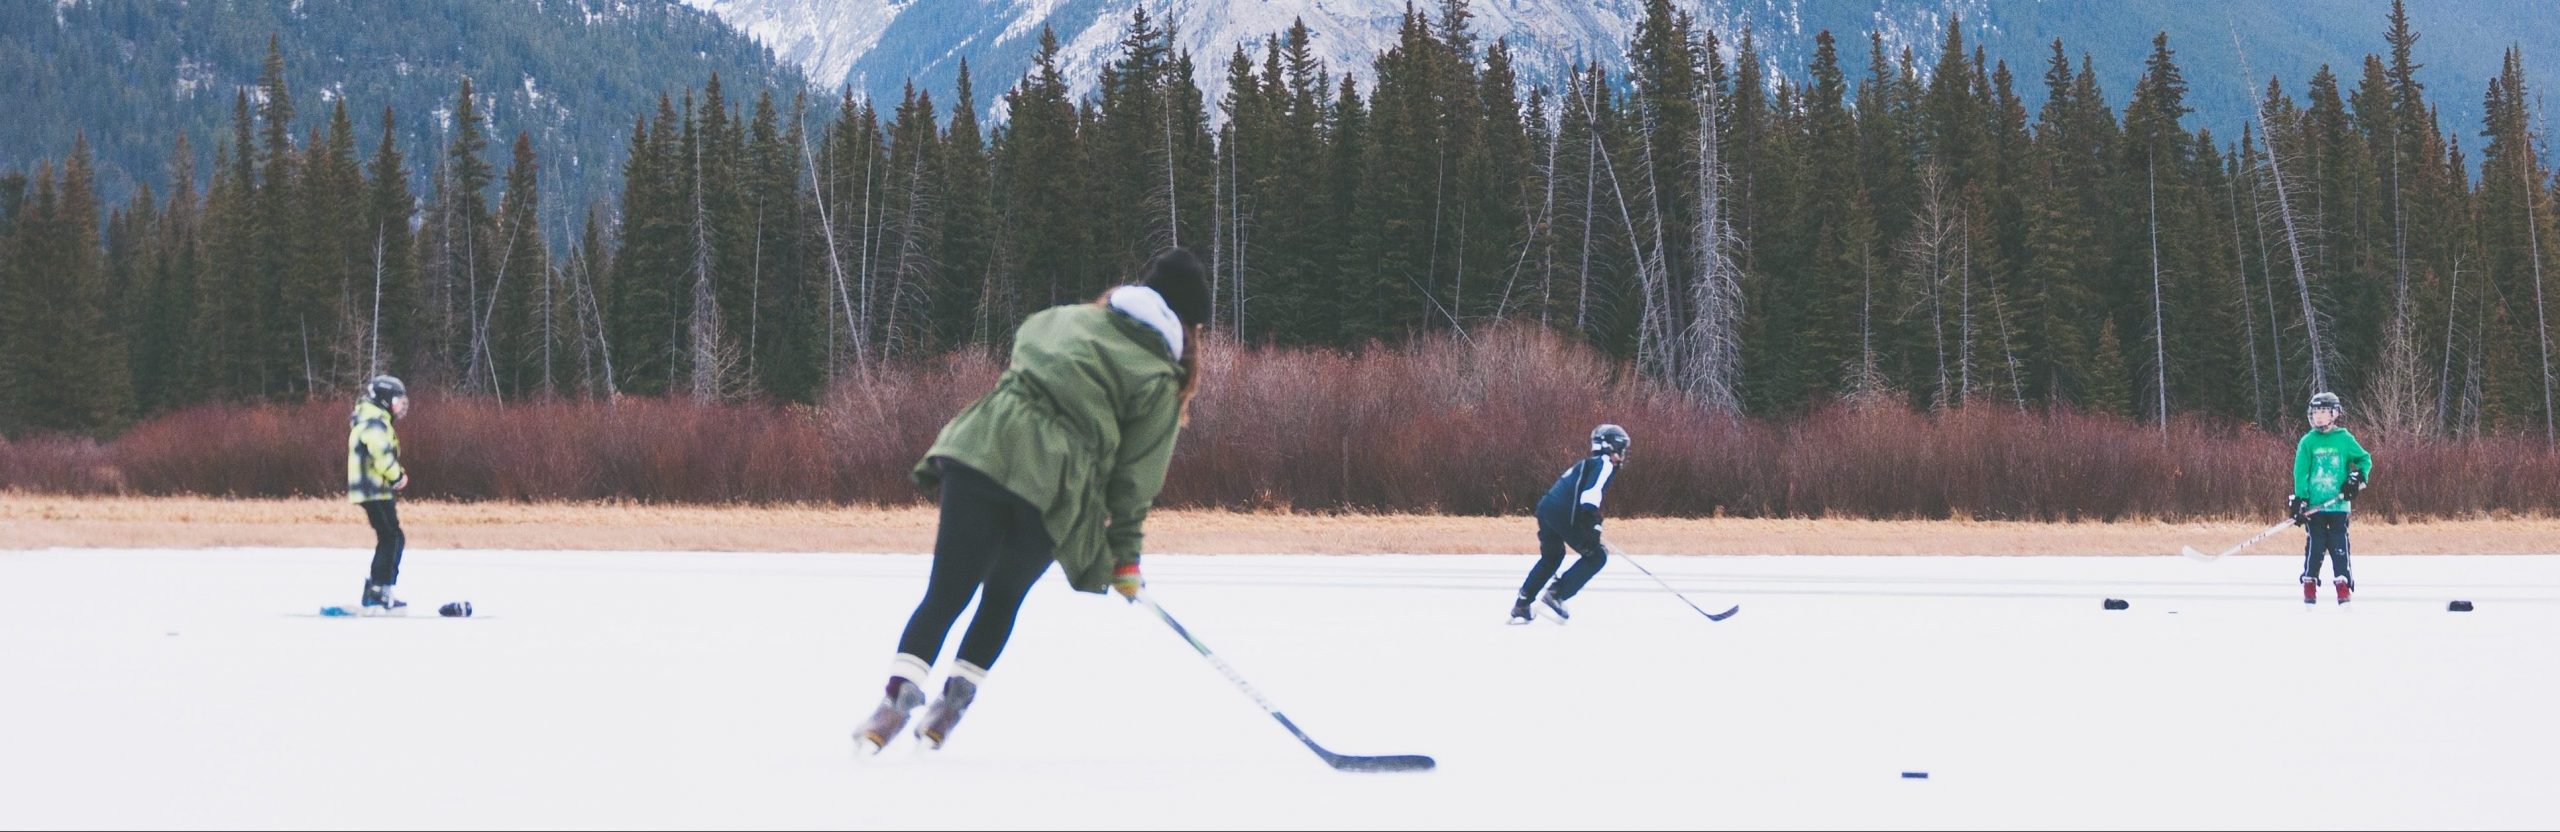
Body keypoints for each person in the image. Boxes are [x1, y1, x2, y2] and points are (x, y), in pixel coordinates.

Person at [854, 247, 1209, 754]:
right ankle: (948, 711)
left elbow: (1024, 349)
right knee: (1003, 596)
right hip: (1055, 487)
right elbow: (1135, 481)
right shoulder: (1159, 378)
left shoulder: (1061, 319)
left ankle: (891, 704)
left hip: (982, 450)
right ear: (1188, 327)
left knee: (946, 593)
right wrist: (1124, 558)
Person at [1511, 424, 1630, 624]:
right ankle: (1556, 594)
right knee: (1597, 556)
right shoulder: (1604, 464)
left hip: (1546, 509)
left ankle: (1522, 603)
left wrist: (1591, 523)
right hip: (1563, 513)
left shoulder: (1588, 463)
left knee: (1552, 557)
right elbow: (1590, 497)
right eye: (1621, 450)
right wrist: (1593, 525)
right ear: (1611, 448)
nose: (1622, 455)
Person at [2288, 391, 2373, 604]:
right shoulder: (2308, 442)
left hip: (2338, 506)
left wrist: (2357, 479)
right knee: (2315, 545)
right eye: (2315, 411)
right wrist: (2300, 500)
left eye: (2324, 411)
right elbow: (2301, 472)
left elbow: (2364, 460)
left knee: (2339, 544)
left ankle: (2343, 585)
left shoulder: (2344, 439)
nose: (2319, 416)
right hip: (2315, 506)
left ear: (2334, 414)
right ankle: (2309, 583)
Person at [348, 375, 412, 615]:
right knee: (392, 537)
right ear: (385, 400)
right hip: (373, 490)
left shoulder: (372, 419)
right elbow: (381, 454)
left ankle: (378, 588)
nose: (400, 405)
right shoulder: (374, 422)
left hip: (373, 490)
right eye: (396, 400)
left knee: (391, 536)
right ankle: (379, 590)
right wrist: (397, 476)